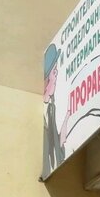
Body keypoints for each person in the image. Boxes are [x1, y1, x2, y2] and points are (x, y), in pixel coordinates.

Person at [43, 43, 72, 174]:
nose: (56, 74)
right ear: (47, 80)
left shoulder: (51, 109)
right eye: (54, 71)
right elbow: (50, 159)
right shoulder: (45, 116)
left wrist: (67, 119)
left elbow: (56, 146)